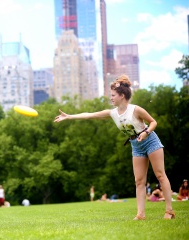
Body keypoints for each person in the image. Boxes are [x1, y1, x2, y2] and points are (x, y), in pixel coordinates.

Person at [54, 74, 175, 220]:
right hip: (135, 145)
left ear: (122, 96)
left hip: (150, 140)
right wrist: (69, 117)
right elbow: (90, 115)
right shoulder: (112, 113)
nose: (111, 98)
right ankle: (140, 214)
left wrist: (146, 133)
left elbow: (154, 122)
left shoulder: (136, 110)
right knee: (139, 181)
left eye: (113, 95)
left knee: (160, 175)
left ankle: (169, 211)